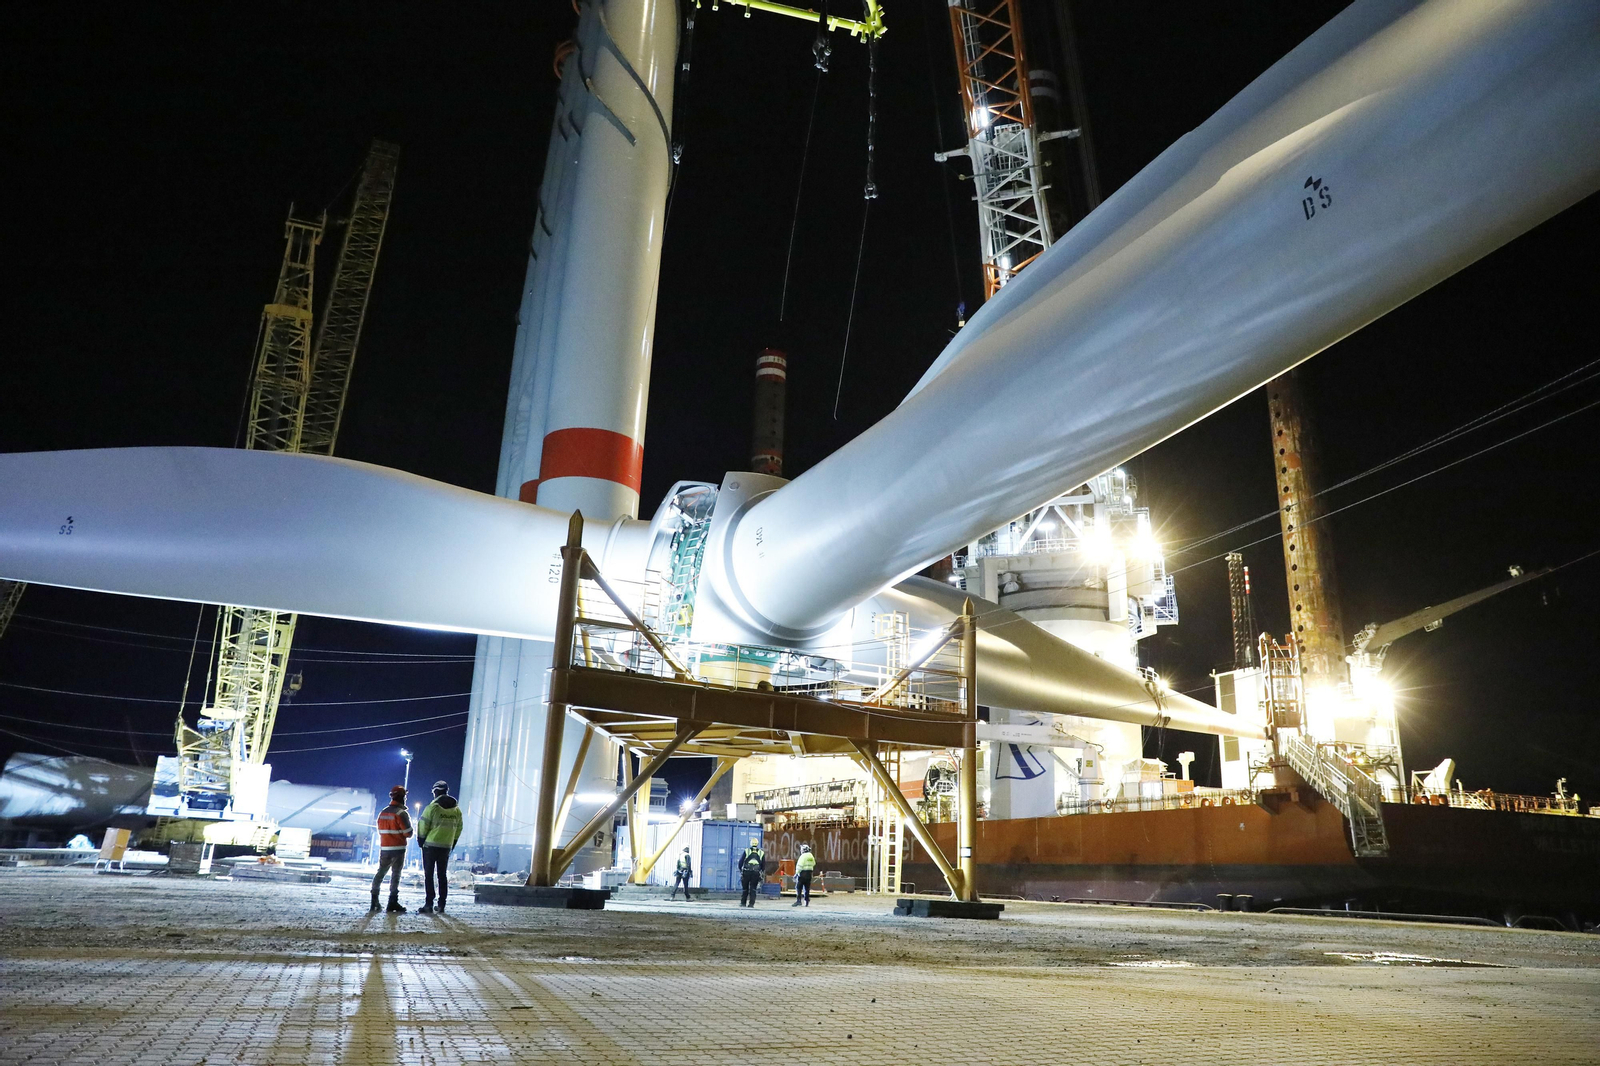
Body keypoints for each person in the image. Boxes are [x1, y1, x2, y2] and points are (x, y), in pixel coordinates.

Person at [416, 780, 463, 914]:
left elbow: (423, 826)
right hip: (446, 846)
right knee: (442, 876)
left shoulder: (432, 808)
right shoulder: (457, 810)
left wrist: (421, 841)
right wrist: (452, 842)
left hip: (430, 846)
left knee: (429, 875)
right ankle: (442, 905)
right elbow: (459, 828)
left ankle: (429, 904)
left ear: (436, 792)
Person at [371, 785, 413, 913]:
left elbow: (380, 830)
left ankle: (374, 901)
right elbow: (408, 833)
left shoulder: (383, 812)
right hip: (398, 849)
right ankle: (392, 902)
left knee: (380, 873)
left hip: (385, 848)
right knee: (395, 876)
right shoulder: (401, 813)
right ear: (402, 797)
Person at [738, 838, 766, 908]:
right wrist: (761, 872)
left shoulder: (746, 851)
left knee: (745, 889)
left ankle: (743, 903)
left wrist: (740, 870)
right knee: (753, 889)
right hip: (756, 873)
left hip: (746, 871)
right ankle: (751, 904)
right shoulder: (761, 852)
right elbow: (763, 865)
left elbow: (740, 862)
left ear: (751, 843)